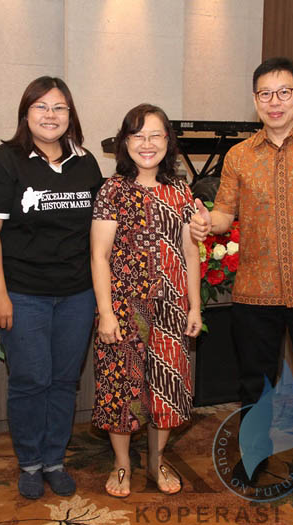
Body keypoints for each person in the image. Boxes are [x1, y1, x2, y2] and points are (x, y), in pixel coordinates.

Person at [189, 57, 293, 503]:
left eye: (284, 92)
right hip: (256, 291)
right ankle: (255, 454)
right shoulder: (239, 156)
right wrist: (208, 222)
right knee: (254, 382)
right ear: (255, 100)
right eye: (265, 94)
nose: (275, 102)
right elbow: (224, 213)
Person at [0, 76, 103, 500]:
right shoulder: (4, 161)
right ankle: (29, 463)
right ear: (25, 113)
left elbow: (101, 231)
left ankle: (54, 460)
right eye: (41, 106)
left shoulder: (85, 162)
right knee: (30, 380)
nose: (51, 115)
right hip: (23, 293)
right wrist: (0, 293)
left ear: (71, 115)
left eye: (59, 107)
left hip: (77, 294)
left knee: (64, 381)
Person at [90, 104, 202, 498]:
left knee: (166, 387)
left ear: (168, 141)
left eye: (155, 135)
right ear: (124, 142)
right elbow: (99, 256)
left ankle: (156, 460)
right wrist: (106, 313)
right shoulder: (112, 190)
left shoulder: (181, 190)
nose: (147, 143)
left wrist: (194, 305)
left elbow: (190, 253)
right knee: (121, 388)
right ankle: (122, 463)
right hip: (124, 307)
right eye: (137, 135)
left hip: (171, 307)